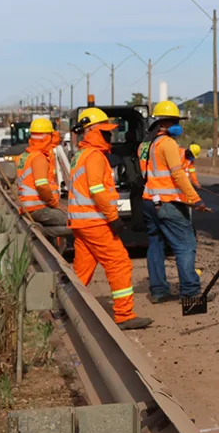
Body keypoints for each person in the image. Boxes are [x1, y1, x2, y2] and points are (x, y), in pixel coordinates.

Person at [68, 108, 151, 329]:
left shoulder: (81, 155)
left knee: (82, 271)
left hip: (81, 222)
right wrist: (113, 218)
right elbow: (97, 191)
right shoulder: (95, 156)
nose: (109, 136)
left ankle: (67, 307)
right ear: (93, 131)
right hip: (95, 222)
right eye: (105, 132)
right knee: (119, 263)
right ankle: (124, 315)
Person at [139, 100, 208, 304]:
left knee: (156, 245)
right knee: (185, 244)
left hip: (149, 201)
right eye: (175, 121)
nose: (178, 125)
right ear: (164, 123)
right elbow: (177, 175)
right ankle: (190, 291)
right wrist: (196, 200)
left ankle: (158, 291)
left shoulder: (145, 145)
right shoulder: (167, 143)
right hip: (167, 203)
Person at [15, 117, 70, 242]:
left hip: (27, 207)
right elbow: (42, 186)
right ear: (47, 137)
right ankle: (44, 232)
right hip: (39, 208)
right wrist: (55, 204)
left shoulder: (23, 157)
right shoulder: (39, 158)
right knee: (76, 220)